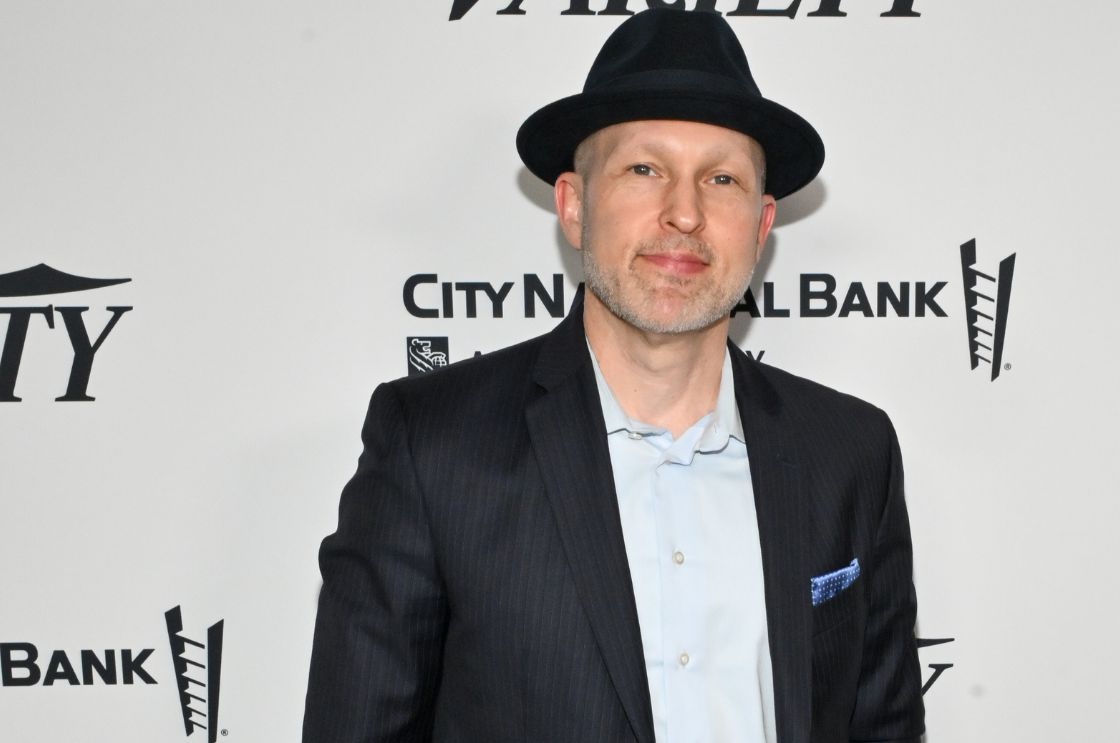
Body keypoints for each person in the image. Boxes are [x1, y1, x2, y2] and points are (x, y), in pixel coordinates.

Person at [303, 8, 924, 743]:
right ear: (573, 204)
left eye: (720, 179)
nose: (684, 213)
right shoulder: (433, 445)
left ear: (760, 226)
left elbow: (881, 725)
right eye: (643, 169)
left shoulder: (849, 450)